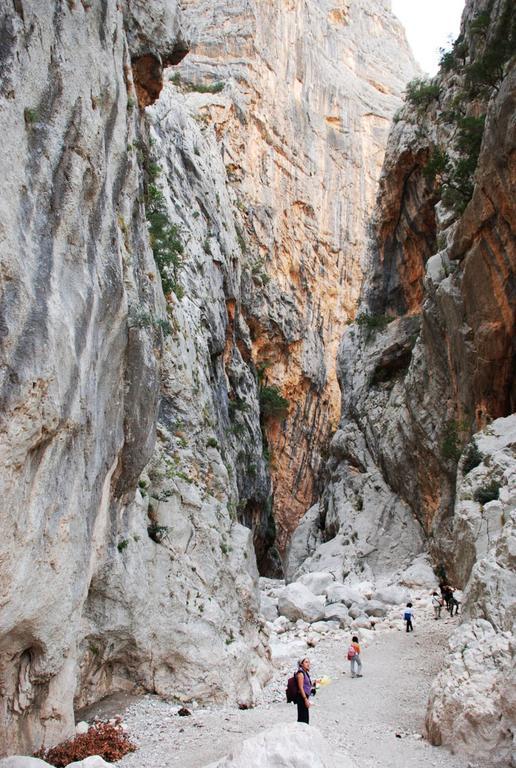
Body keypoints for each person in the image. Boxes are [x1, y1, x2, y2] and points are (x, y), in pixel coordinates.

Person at [295, 658, 313, 724]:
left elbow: (307, 684)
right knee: (303, 719)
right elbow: (301, 688)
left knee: (305, 718)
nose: (308, 664)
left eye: (309, 662)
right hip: (301, 698)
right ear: (301, 664)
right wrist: (305, 700)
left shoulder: (305, 673)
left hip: (304, 697)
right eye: (306, 662)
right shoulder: (301, 674)